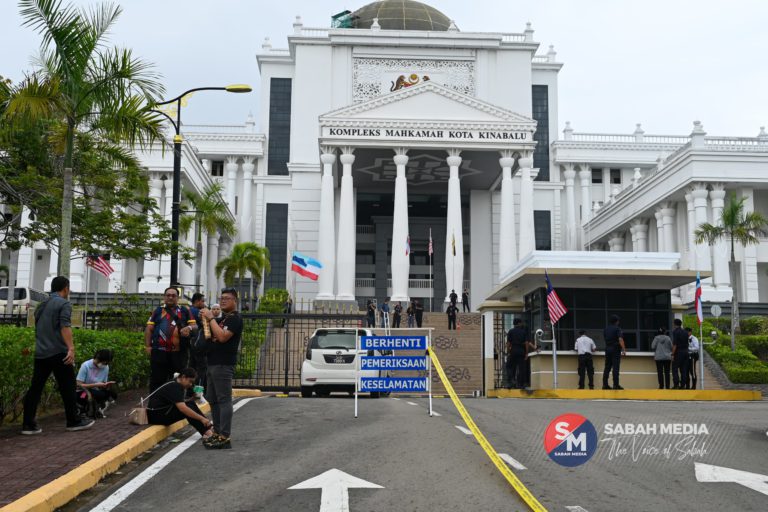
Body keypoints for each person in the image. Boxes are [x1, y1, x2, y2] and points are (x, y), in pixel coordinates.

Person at [22, 276, 94, 434]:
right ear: (66, 288)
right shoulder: (64, 303)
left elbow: (39, 326)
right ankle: (73, 421)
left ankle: (28, 424)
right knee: (67, 387)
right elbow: (64, 326)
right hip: (59, 352)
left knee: (35, 388)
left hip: (41, 353)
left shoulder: (42, 305)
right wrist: (71, 348)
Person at [200, 287, 243, 450]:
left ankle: (225, 436)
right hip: (212, 363)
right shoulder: (223, 319)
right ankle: (217, 432)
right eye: (221, 297)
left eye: (227, 298)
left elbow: (223, 337)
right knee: (213, 399)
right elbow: (211, 335)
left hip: (224, 364)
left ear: (235, 301)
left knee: (224, 400)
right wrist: (206, 320)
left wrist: (211, 319)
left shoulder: (235, 319)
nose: (223, 300)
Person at [145, 287, 197, 392]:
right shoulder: (158, 311)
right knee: (157, 381)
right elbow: (149, 329)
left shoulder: (185, 310)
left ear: (178, 298)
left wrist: (189, 327)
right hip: (159, 352)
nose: (170, 297)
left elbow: (195, 326)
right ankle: (155, 405)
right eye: (168, 295)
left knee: (177, 381)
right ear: (164, 297)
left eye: (173, 295)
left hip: (178, 353)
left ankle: (176, 404)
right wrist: (148, 346)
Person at [147, 368, 214, 446]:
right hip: (157, 416)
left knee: (190, 403)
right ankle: (207, 430)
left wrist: (193, 398)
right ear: (183, 377)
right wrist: (202, 418)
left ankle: (207, 429)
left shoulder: (175, 383)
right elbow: (183, 409)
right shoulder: (174, 386)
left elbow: (181, 403)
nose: (191, 384)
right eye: (190, 381)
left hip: (160, 413)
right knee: (186, 410)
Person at [76, 349, 117, 418]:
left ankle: (100, 409)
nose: (105, 365)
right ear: (98, 358)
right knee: (88, 395)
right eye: (104, 363)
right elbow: (79, 384)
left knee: (112, 394)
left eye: (106, 363)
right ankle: (84, 410)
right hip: (83, 391)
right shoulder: (86, 366)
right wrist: (96, 385)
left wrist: (106, 385)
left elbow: (103, 383)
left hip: (96, 390)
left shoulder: (105, 367)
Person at [188, 293, 208, 389]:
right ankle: (198, 392)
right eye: (202, 301)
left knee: (192, 368)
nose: (204, 303)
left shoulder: (189, 310)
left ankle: (190, 391)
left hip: (192, 344)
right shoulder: (197, 312)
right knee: (201, 370)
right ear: (197, 301)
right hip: (199, 345)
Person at [602, 315, 626, 390]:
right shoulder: (617, 329)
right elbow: (620, 339)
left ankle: (605, 385)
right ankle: (616, 385)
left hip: (607, 349)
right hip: (615, 349)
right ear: (616, 322)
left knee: (607, 367)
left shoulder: (606, 329)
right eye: (618, 321)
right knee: (615, 367)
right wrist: (623, 349)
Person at [506, 319, 529, 389]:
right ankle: (521, 384)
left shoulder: (510, 331)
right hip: (521, 351)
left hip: (513, 351)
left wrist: (508, 352)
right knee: (522, 368)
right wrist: (526, 353)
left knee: (510, 366)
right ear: (519, 323)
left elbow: (508, 343)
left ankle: (511, 382)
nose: (522, 324)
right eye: (521, 323)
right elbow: (526, 343)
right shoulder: (523, 332)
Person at [671, 319, 690, 389]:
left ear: (675, 324)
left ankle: (676, 384)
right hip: (686, 352)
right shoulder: (685, 332)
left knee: (675, 368)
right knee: (684, 369)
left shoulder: (675, 332)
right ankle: (683, 385)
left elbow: (675, 344)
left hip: (678, 352)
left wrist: (672, 354)